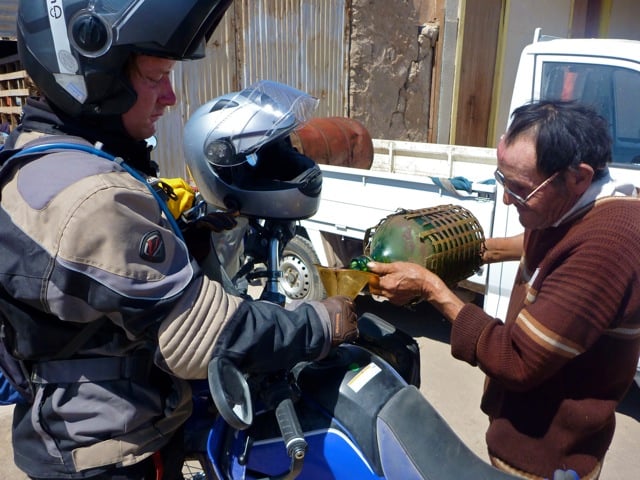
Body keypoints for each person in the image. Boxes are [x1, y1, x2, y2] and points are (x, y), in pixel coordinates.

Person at [0, 1, 357, 479]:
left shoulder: (37, 157)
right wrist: (318, 323)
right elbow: (203, 338)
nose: (170, 97)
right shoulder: (91, 198)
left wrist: (187, 235)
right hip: (106, 455)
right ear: (94, 75)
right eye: (155, 77)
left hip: (77, 435)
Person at [367, 100, 640, 479]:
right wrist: (467, 251)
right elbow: (540, 241)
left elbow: (516, 358)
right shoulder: (580, 207)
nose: (508, 198)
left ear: (578, 177)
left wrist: (432, 288)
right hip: (531, 430)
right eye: (503, 180)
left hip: (546, 455)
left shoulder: (606, 247)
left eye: (520, 188)